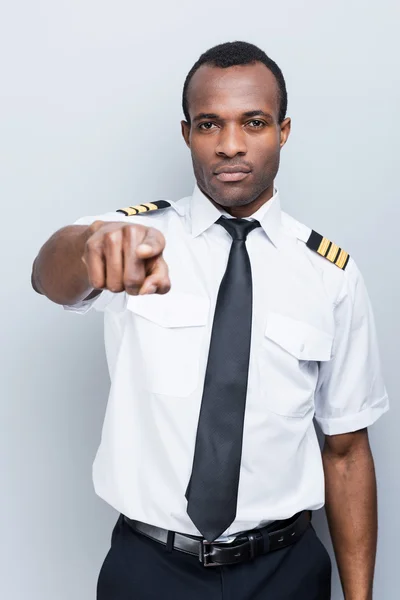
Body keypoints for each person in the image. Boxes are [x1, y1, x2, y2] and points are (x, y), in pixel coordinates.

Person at [31, 41, 388, 600]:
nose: (230, 145)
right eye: (208, 125)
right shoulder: (131, 239)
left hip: (285, 572)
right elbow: (48, 275)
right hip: (149, 570)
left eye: (253, 122)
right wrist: (88, 249)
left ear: (283, 130)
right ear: (186, 133)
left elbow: (345, 453)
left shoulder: (330, 275)